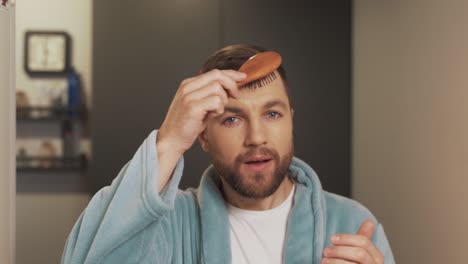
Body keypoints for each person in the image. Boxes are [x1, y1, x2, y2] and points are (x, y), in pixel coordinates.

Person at [61, 44, 395, 264]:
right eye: (232, 119)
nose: (256, 137)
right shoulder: (168, 226)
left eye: (272, 114)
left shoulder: (351, 226)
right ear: (203, 136)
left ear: (292, 120)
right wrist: (169, 141)